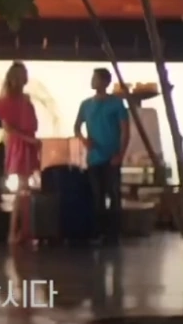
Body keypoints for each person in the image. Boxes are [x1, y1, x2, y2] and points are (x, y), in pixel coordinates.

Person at [74, 67, 130, 246]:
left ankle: (114, 234)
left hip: (112, 156)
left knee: (114, 195)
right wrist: (84, 140)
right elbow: (77, 126)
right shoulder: (86, 104)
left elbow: (125, 130)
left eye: (96, 78)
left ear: (105, 82)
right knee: (97, 195)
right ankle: (99, 232)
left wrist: (121, 154)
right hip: (94, 157)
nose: (93, 81)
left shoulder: (117, 104)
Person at [0, 61, 40, 246]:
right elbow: (8, 128)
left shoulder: (25, 100)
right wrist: (29, 140)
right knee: (22, 189)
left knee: (24, 190)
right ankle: (16, 231)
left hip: (28, 143)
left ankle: (24, 230)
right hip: (20, 145)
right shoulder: (7, 101)